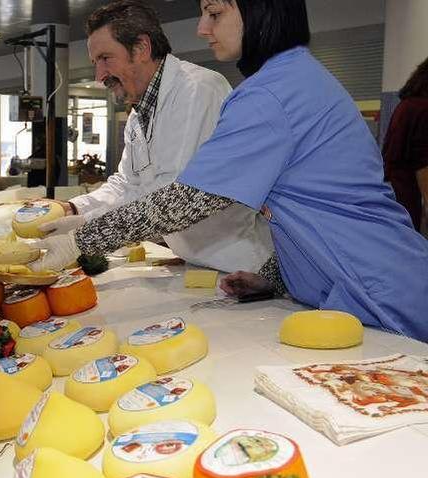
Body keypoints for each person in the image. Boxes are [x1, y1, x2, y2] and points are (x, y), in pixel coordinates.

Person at [33, 0, 428, 341]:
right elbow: (305, 210)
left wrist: (79, 242)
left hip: (377, 287)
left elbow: (187, 200)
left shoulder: (270, 94)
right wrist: (276, 275)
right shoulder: (291, 78)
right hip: (351, 285)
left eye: (214, 12)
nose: (203, 28)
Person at [39, 0, 272, 274]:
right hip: (196, 263)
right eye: (95, 62)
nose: (99, 75)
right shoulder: (139, 113)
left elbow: (172, 193)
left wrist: (84, 233)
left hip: (240, 263)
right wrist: (74, 209)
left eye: (105, 58)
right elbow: (127, 184)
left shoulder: (197, 89)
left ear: (141, 48)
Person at [383, 57, 428, 232]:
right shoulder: (423, 109)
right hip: (407, 198)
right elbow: (423, 164)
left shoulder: (406, 105)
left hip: (392, 195)